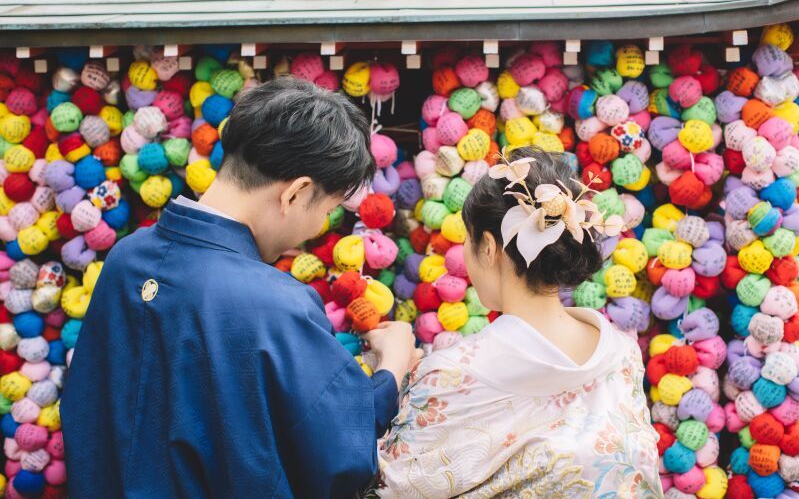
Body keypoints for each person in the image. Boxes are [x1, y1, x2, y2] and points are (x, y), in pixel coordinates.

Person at [61, 78, 418, 499]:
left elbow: (85, 409)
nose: (318, 226)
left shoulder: (126, 257)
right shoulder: (274, 301)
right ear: (296, 192)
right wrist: (391, 370)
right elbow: (336, 451)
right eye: (326, 209)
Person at [374, 148, 662, 498]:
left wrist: (392, 367)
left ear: (489, 248)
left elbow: (391, 489)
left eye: (468, 237)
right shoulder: (621, 352)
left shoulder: (450, 374)